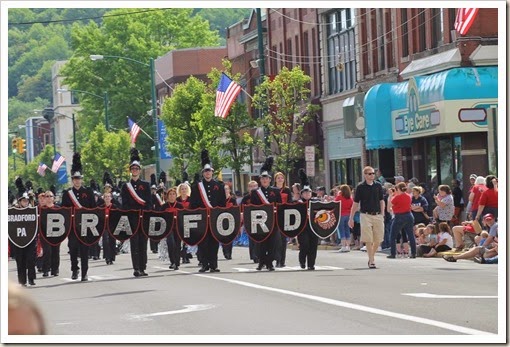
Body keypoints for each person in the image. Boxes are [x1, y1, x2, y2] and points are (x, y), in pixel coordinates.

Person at [61, 153, 96, 282]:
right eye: (75, 178)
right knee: (73, 249)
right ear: (72, 179)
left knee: (84, 251)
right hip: (73, 227)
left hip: (85, 226)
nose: (77, 180)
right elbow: (64, 210)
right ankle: (75, 269)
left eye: (79, 178)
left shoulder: (88, 192)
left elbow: (93, 208)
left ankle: (85, 273)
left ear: (81, 179)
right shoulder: (67, 194)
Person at [190, 149, 226, 273]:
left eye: (209, 171)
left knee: (214, 243)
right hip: (202, 218)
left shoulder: (219, 186)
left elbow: (222, 203)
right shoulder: (196, 187)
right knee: (203, 243)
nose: (208, 173)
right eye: (206, 171)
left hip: (215, 218)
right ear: (203, 173)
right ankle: (204, 264)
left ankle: (214, 264)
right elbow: (193, 204)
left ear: (212, 172)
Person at [120, 148, 152, 277]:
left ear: (140, 170)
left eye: (137, 169)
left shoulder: (146, 185)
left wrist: (143, 211)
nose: (135, 171)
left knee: (143, 244)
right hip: (132, 218)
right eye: (133, 169)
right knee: (134, 244)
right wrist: (133, 209)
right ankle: (136, 268)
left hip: (143, 218)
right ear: (130, 170)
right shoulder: (125, 186)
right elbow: (125, 204)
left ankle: (143, 267)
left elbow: (149, 202)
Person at [348, 166, 385, 269]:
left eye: (373, 173)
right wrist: (351, 218)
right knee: (368, 239)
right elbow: (355, 203)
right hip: (365, 215)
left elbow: (381, 201)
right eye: (369, 174)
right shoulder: (360, 187)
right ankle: (372, 261)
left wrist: (382, 214)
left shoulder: (378, 186)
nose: (372, 175)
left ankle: (371, 256)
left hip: (377, 215)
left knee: (378, 239)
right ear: (365, 175)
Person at [250, 157, 281, 271]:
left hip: (273, 221)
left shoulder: (276, 191)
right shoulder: (255, 192)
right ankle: (261, 262)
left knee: (273, 243)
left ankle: (269, 262)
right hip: (260, 221)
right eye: (262, 178)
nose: (264, 180)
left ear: (269, 179)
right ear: (260, 180)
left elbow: (280, 205)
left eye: (266, 178)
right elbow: (252, 207)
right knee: (261, 244)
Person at [12, 179, 37, 287]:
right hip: (18, 239)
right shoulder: (13, 212)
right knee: (20, 260)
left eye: (27, 201)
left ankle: (31, 278)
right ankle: (22, 280)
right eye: (23, 201)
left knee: (31, 259)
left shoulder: (32, 210)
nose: (26, 203)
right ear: (19, 201)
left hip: (30, 239)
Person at [386, 182, 416, 259]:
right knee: (410, 235)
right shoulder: (409, 196)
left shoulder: (396, 198)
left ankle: (393, 253)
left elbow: (389, 207)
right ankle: (413, 253)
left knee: (392, 236)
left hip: (399, 216)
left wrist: (390, 196)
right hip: (409, 215)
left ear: (398, 189)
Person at [297, 169, 319, 270]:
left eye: (309, 192)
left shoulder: (315, 202)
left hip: (313, 227)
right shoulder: (297, 203)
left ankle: (311, 264)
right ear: (301, 194)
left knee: (313, 246)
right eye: (305, 193)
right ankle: (302, 261)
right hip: (302, 227)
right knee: (304, 245)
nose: (307, 194)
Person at [161, 187, 183, 270]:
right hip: (168, 228)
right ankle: (172, 261)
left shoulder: (179, 206)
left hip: (178, 227)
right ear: (167, 196)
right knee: (171, 243)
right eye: (170, 194)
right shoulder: (164, 206)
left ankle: (177, 262)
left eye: (173, 194)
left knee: (177, 245)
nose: (172, 196)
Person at [40, 188, 61, 277]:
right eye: (46, 196)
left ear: (53, 198)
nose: (48, 198)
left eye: (50, 196)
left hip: (56, 233)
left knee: (55, 251)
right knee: (47, 251)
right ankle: (46, 269)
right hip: (44, 234)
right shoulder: (41, 209)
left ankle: (55, 269)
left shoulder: (58, 208)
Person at [273, 171, 292, 267]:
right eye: (278, 178)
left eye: (282, 178)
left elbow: (290, 202)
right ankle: (276, 258)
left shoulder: (287, 190)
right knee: (276, 239)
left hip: (284, 215)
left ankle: (282, 261)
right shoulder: (272, 190)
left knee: (283, 239)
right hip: (274, 215)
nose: (280, 179)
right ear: (275, 180)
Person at [98, 191, 119, 265]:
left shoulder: (114, 207)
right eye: (105, 197)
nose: (107, 198)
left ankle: (112, 257)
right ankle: (107, 257)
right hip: (104, 227)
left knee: (112, 241)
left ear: (111, 198)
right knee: (105, 241)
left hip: (112, 226)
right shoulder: (101, 207)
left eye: (108, 197)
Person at [242, 180, 260, 264]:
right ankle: (254, 255)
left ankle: (260, 254)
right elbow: (242, 209)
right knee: (252, 238)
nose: (253, 188)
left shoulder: (261, 196)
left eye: (254, 186)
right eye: (251, 186)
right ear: (248, 188)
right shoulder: (246, 198)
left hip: (260, 218)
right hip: (250, 219)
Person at [176, 179, 192, 264]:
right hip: (179, 221)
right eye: (182, 189)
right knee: (179, 239)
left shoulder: (191, 199)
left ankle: (185, 256)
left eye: (185, 188)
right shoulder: (177, 200)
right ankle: (178, 256)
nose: (184, 190)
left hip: (188, 221)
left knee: (186, 240)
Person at [335, 184, 353, 252]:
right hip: (348, 215)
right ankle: (348, 246)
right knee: (347, 230)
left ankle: (343, 246)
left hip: (341, 215)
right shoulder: (350, 198)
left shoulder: (339, 197)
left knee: (341, 230)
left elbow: (335, 204)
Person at [221, 184, 237, 260]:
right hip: (222, 221)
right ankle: (225, 252)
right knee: (223, 237)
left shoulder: (233, 200)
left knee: (230, 237)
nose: (225, 191)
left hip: (231, 220)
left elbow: (236, 209)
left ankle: (229, 253)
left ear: (229, 190)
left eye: (227, 189)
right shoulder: (220, 200)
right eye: (224, 189)